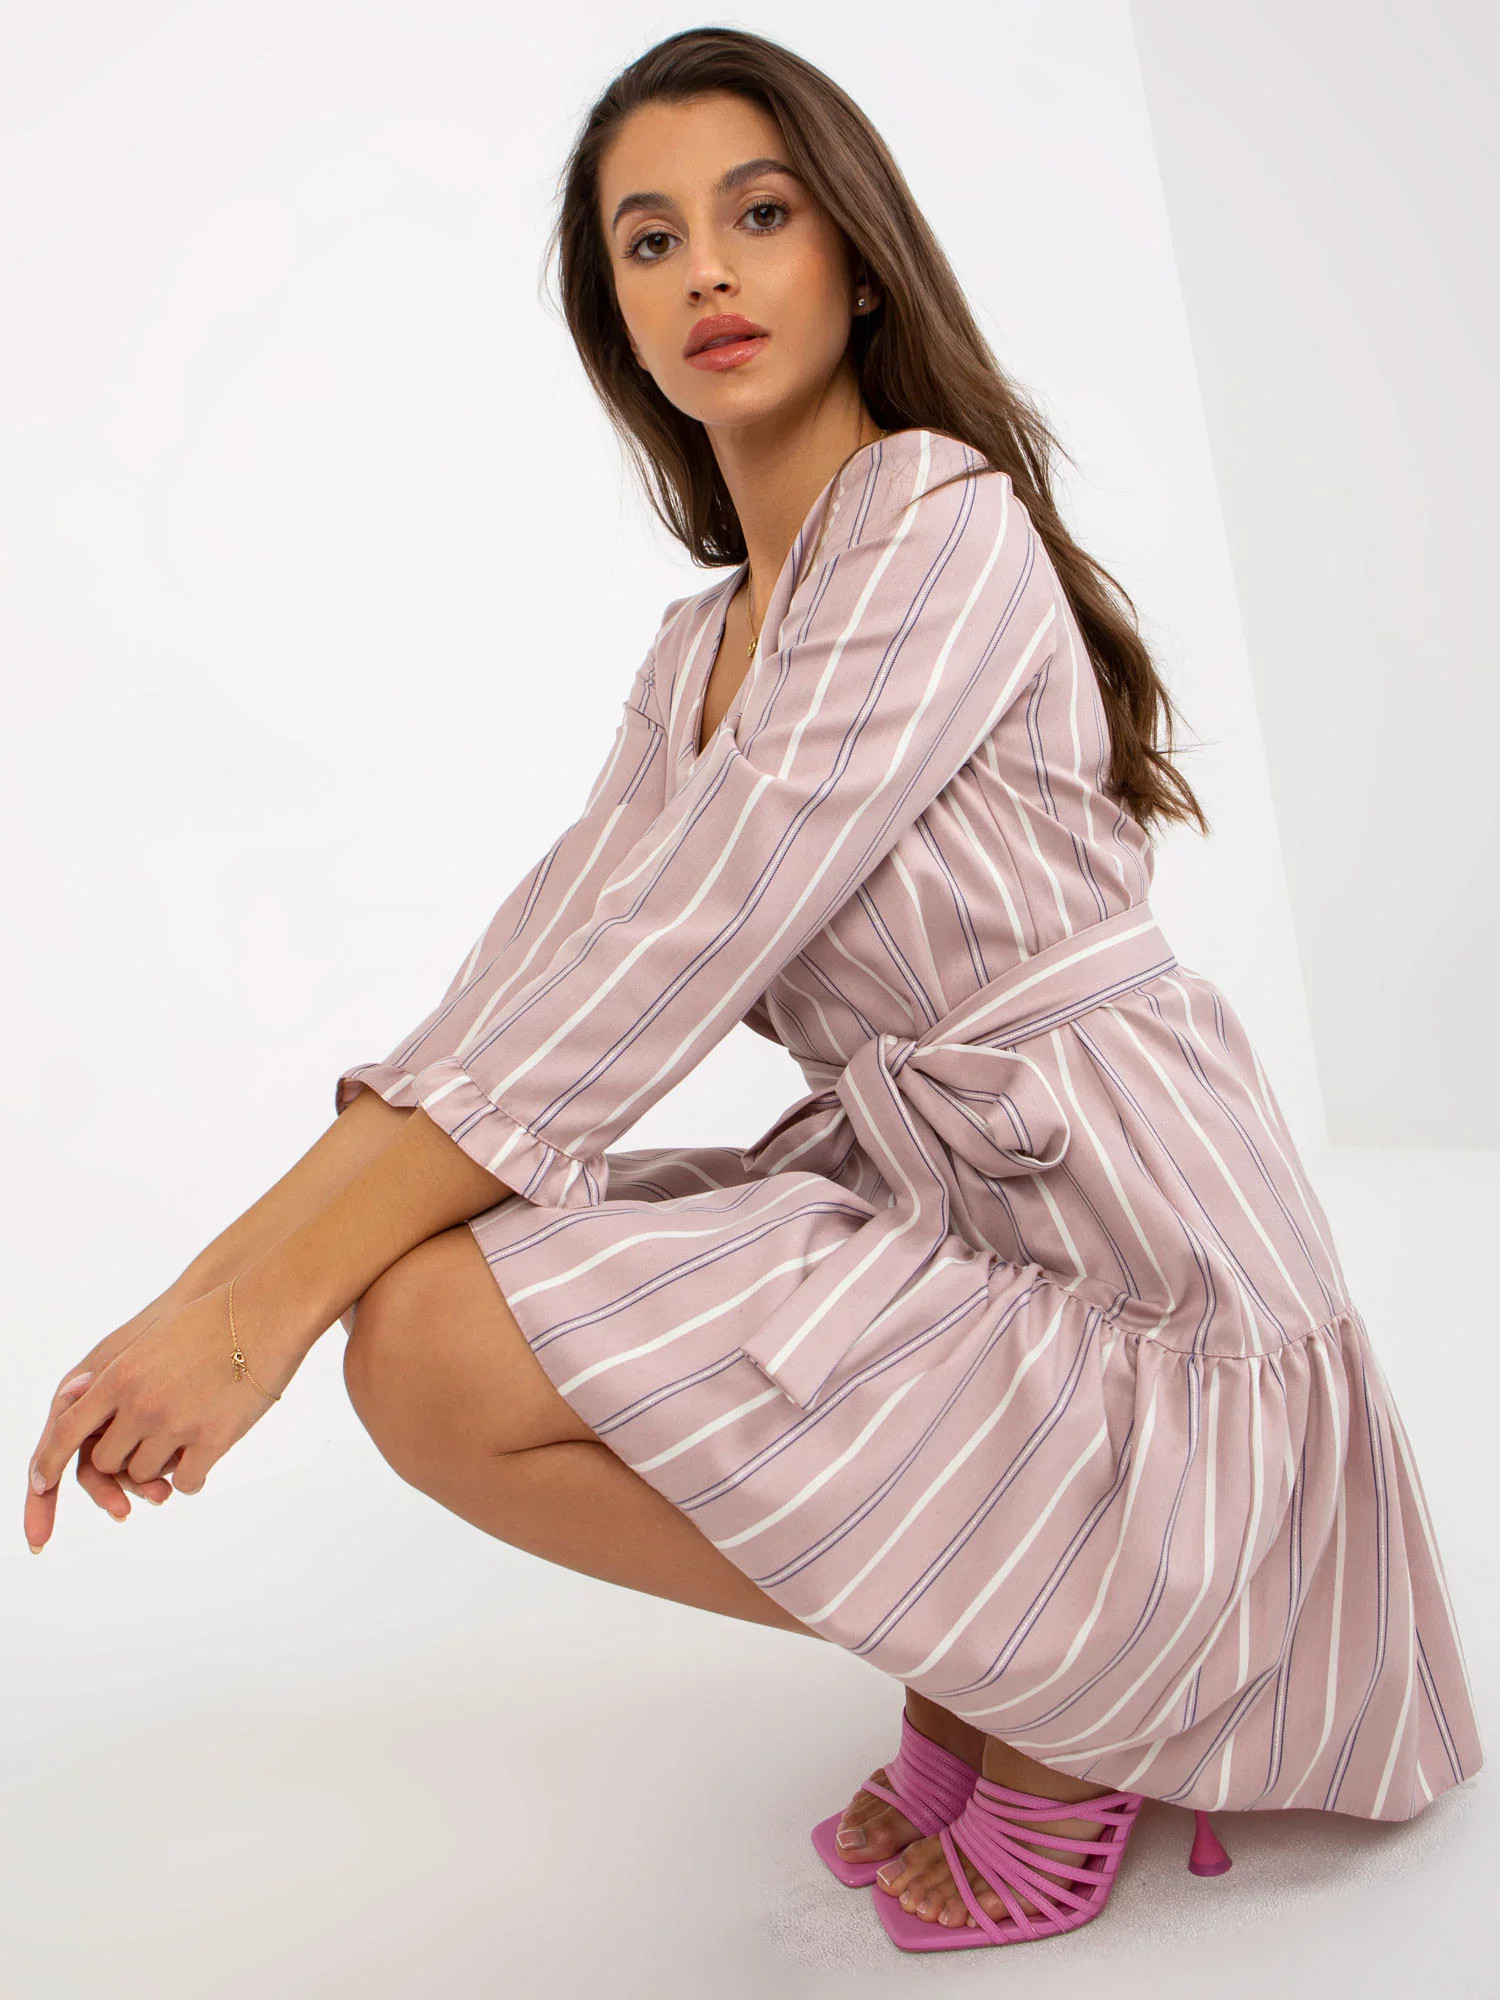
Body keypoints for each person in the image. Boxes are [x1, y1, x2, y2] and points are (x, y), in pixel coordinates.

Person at [25, 26, 1482, 1956]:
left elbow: (682, 940)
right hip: (942, 1217)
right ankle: (1005, 1650)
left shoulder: (934, 518)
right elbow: (555, 956)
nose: (706, 269)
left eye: (760, 213)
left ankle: (1065, 1694)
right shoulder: (699, 643)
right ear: (617, 320)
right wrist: (223, 1293)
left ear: (857, 258)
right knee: (430, 1332)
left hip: (1135, 1253)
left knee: (415, 1336)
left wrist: (252, 1317)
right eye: (650, 241)